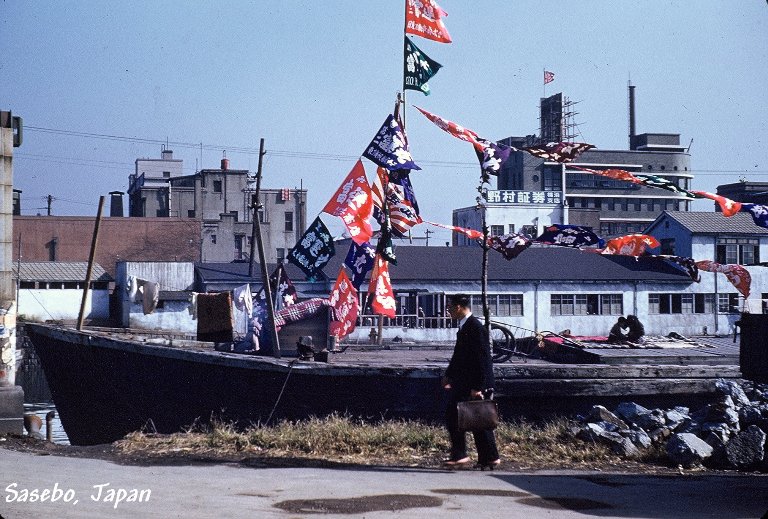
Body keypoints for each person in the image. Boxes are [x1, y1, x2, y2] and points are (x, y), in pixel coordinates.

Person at [441, 294, 500, 469]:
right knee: (477, 418)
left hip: (473, 383)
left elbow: (482, 359)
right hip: (465, 381)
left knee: (458, 415)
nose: (448, 311)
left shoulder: (475, 328)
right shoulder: (467, 326)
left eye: (450, 307)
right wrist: (449, 375)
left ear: (458, 307)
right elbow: (460, 357)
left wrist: (478, 387)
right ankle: (489, 457)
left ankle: (461, 455)